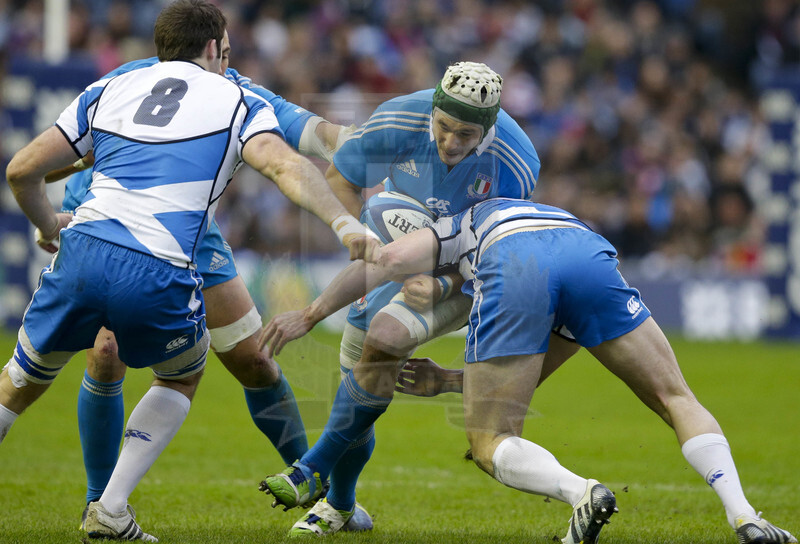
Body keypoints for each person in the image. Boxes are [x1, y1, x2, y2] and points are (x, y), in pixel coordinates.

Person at [1, 0, 379, 541]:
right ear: (213, 47)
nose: (230, 58)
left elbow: (308, 130)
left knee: (254, 360)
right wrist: (346, 220)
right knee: (108, 356)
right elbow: (283, 162)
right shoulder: (154, 84)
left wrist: (362, 140)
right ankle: (101, 500)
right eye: (227, 49)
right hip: (116, 225)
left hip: (179, 235)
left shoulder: (194, 86)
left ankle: (314, 486)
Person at [258, 197, 796, 544]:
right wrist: (448, 381)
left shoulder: (456, 224)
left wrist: (314, 310)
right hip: (587, 251)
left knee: (489, 440)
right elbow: (535, 369)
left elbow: (389, 261)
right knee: (676, 397)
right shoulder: (539, 206)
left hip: (512, 259)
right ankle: (745, 515)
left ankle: (581, 492)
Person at [262, 60, 580, 535]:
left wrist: (442, 283)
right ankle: (341, 505)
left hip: (463, 274)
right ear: (432, 109)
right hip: (392, 251)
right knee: (358, 379)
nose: (451, 142)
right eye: (444, 127)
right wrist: (360, 238)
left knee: (386, 339)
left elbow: (497, 249)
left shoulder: (515, 162)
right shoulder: (397, 118)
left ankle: (309, 470)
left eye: (466, 134)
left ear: (488, 129)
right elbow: (342, 179)